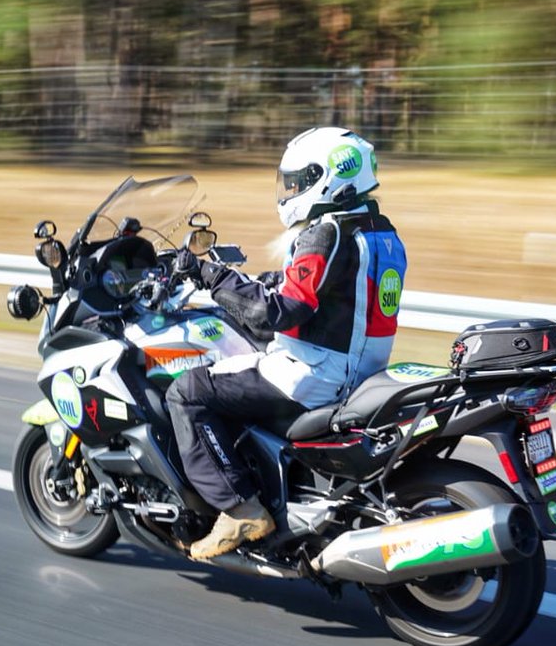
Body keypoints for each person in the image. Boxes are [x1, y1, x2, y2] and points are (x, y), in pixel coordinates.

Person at [167, 127, 408, 560]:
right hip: (360, 372)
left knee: (186, 391)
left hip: (312, 375)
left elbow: (275, 314)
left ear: (332, 176)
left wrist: (210, 275)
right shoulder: (381, 232)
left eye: (299, 180)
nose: (291, 189)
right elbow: (329, 294)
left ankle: (239, 507)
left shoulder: (327, 232)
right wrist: (263, 282)